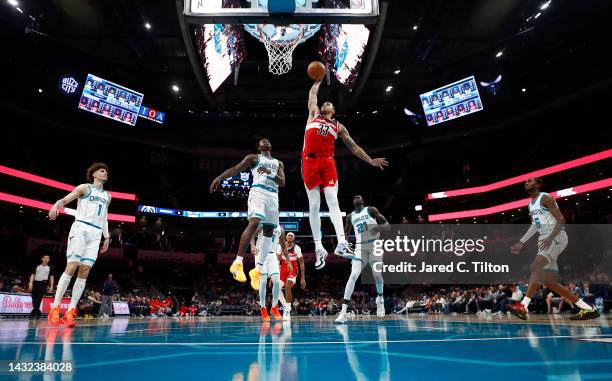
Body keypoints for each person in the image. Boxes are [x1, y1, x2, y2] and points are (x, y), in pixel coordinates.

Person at [304, 81, 388, 270]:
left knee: (333, 200)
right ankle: (319, 248)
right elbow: (312, 95)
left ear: (333, 110)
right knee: (314, 205)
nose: (326, 104)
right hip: (309, 161)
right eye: (324, 103)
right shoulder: (313, 114)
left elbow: (354, 147)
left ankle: (342, 243)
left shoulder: (338, 127)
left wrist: (371, 160)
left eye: (330, 104)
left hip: (327, 161)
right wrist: (317, 80)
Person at [508, 177, 599, 320]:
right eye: (525, 181)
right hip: (545, 240)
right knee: (548, 282)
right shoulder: (530, 205)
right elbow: (534, 226)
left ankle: (523, 306)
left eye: (530, 181)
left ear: (538, 184)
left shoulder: (545, 198)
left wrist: (550, 238)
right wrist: (522, 241)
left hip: (556, 237)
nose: (526, 182)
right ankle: (588, 308)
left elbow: (561, 220)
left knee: (536, 266)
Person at [210, 138, 285, 290]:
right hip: (258, 192)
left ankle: (257, 271)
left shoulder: (279, 163)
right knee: (255, 221)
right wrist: (220, 178)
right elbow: (236, 169)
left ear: (270, 145)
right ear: (259, 147)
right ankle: (237, 263)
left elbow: (282, 182)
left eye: (268, 140)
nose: (266, 141)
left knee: (269, 232)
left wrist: (270, 173)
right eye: (262, 141)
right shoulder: (254, 158)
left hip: (273, 196)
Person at [47, 163, 112, 327]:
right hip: (81, 227)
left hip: (96, 234)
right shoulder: (85, 188)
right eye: (102, 171)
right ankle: (54, 308)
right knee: (72, 265)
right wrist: (56, 205)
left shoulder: (107, 196)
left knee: (85, 270)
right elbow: (66, 199)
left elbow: (104, 217)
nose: (105, 174)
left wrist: (107, 236)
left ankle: (70, 311)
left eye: (106, 172)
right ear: (94, 174)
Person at [335, 195, 389, 324]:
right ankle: (343, 312)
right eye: (354, 198)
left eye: (359, 197)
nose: (356, 198)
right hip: (360, 248)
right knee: (353, 275)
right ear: (353, 202)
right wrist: (344, 243)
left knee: (377, 275)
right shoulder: (350, 216)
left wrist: (378, 228)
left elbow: (387, 226)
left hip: (375, 245)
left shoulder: (371, 210)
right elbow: (345, 233)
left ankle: (380, 299)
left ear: (362, 201)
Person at [278, 232, 305, 321]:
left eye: (291, 235)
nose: (290, 236)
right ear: (285, 237)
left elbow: (301, 263)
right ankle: (286, 307)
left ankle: (287, 311)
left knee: (287, 286)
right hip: (282, 270)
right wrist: (273, 275)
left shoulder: (297, 248)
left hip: (292, 270)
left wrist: (302, 278)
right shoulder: (280, 246)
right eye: (288, 235)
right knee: (276, 289)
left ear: (294, 238)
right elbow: (277, 260)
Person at [29, 255, 54, 319]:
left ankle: (32, 314)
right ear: (42, 259)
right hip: (36, 283)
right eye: (45, 258)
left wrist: (51, 286)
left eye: (48, 258)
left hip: (43, 284)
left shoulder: (50, 267)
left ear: (49, 260)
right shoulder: (37, 266)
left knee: (39, 298)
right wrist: (31, 283)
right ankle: (38, 313)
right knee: (34, 298)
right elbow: (33, 274)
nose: (46, 259)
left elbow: (51, 277)